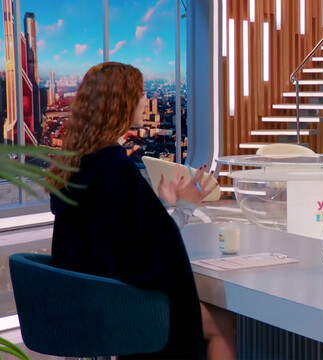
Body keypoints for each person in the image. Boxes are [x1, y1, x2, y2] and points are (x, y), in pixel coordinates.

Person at [47, 62, 236, 359]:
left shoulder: (75, 167)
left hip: (82, 306)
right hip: (120, 310)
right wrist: (185, 206)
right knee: (220, 323)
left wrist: (160, 207)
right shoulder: (117, 169)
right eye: (140, 94)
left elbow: (123, 239)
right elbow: (153, 256)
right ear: (122, 105)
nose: (145, 100)